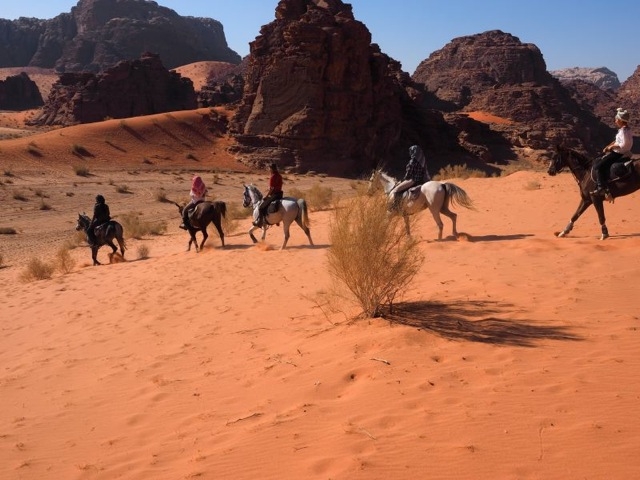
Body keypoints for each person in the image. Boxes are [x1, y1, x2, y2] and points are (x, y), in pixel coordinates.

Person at [591, 108, 633, 196]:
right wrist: (608, 146)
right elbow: (617, 140)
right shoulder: (625, 130)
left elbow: (624, 144)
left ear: (621, 121)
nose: (615, 121)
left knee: (598, 166)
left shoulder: (624, 131)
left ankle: (600, 187)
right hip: (620, 152)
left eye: (616, 119)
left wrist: (612, 147)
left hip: (618, 154)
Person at [390, 145, 430, 210]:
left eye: (411, 151)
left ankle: (396, 207)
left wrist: (403, 180)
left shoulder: (413, 161)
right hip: (422, 180)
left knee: (395, 190)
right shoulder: (423, 159)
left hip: (412, 180)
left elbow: (409, 173)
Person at [255, 163, 283, 227]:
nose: (268, 170)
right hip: (280, 194)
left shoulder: (273, 177)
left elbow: (271, 189)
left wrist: (267, 196)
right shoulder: (279, 175)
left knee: (261, 208)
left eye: (269, 168)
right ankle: (276, 220)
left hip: (274, 195)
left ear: (271, 169)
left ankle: (259, 222)